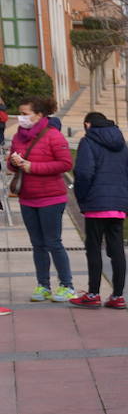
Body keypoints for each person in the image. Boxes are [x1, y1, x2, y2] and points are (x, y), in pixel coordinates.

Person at [7, 96, 75, 302]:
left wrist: (32, 167)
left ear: (39, 115)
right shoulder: (18, 137)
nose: (21, 118)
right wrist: (14, 162)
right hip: (28, 197)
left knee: (53, 242)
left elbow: (65, 163)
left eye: (25, 114)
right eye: (20, 113)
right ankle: (43, 285)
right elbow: (12, 163)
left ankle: (67, 285)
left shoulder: (53, 136)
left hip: (51, 198)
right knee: (37, 244)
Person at [70, 113, 128, 309]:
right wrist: (126, 204)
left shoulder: (87, 142)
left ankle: (93, 293)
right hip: (118, 205)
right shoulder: (122, 144)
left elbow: (83, 173)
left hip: (96, 204)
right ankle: (118, 295)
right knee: (117, 250)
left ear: (88, 124)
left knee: (94, 248)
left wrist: (82, 199)